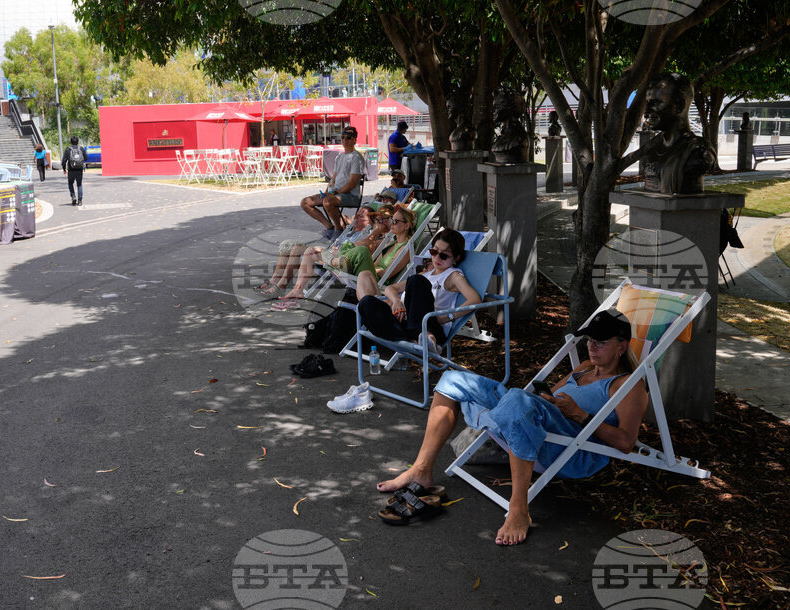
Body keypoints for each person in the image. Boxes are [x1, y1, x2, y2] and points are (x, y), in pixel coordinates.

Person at [376, 308, 645, 543]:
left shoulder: (628, 386)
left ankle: (519, 508)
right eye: (589, 340)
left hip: (570, 451)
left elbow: (626, 443)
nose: (592, 347)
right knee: (452, 380)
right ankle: (421, 470)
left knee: (516, 399)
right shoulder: (585, 367)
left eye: (601, 342)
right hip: (540, 424)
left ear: (622, 346)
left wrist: (578, 414)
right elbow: (546, 398)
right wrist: (548, 398)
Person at [355, 228, 480, 355]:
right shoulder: (427, 273)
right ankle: (411, 339)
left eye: (443, 255)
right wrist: (396, 301)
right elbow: (390, 288)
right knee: (366, 302)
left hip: (431, 325)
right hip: (407, 324)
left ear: (456, 258)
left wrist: (446, 318)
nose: (436, 258)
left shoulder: (454, 276)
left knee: (416, 280)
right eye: (434, 251)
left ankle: (428, 337)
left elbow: (474, 299)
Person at [276, 206, 414, 310]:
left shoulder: (405, 249)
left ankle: (337, 260)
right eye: (392, 220)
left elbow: (385, 273)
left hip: (370, 279)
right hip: (360, 269)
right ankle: (298, 289)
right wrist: (349, 252)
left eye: (395, 221)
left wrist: (357, 258)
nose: (392, 223)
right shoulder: (390, 242)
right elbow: (367, 247)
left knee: (361, 251)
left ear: (407, 225)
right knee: (312, 251)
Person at [255, 204, 376, 296]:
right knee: (286, 245)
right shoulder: (350, 230)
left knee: (297, 249)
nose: (356, 217)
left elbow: (351, 252)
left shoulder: (367, 236)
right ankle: (274, 279)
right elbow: (343, 218)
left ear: (370, 221)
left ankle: (281, 285)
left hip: (333, 258)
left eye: (361, 216)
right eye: (357, 214)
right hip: (327, 252)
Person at [299, 125, 365, 240]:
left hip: (350, 195)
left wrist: (334, 194)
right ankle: (329, 227)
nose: (345, 139)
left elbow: (352, 183)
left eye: (349, 137)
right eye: (343, 137)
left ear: (354, 140)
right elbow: (333, 179)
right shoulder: (339, 157)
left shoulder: (357, 158)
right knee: (305, 202)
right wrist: (326, 192)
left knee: (328, 202)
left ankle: (338, 229)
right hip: (336, 193)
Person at [61, 136, 88, 206]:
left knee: (70, 183)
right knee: (79, 184)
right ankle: (80, 201)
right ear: (78, 142)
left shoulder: (68, 150)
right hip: (79, 169)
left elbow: (63, 161)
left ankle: (73, 197)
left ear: (70, 142)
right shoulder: (81, 148)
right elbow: (86, 157)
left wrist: (64, 169)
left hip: (71, 170)